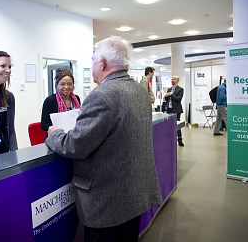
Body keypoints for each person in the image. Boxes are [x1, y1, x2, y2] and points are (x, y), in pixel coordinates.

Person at [45, 36, 162, 242]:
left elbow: (74, 145)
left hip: (108, 203)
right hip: (133, 195)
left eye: (92, 60)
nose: (92, 65)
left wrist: (55, 134)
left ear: (102, 63)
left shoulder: (102, 95)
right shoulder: (139, 91)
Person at [41, 68, 81, 136]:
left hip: (73, 135)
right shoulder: (50, 100)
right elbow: (44, 124)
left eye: (69, 84)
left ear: (73, 85)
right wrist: (51, 127)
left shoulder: (76, 98)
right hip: (56, 137)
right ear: (57, 86)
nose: (66, 87)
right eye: (62, 84)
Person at [164, 75, 185, 146]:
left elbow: (178, 99)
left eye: (174, 79)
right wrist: (166, 96)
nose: (172, 80)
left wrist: (171, 94)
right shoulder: (169, 89)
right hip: (169, 109)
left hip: (176, 109)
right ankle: (171, 139)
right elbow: (167, 100)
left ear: (177, 81)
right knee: (169, 125)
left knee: (177, 125)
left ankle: (180, 139)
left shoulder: (180, 89)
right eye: (171, 79)